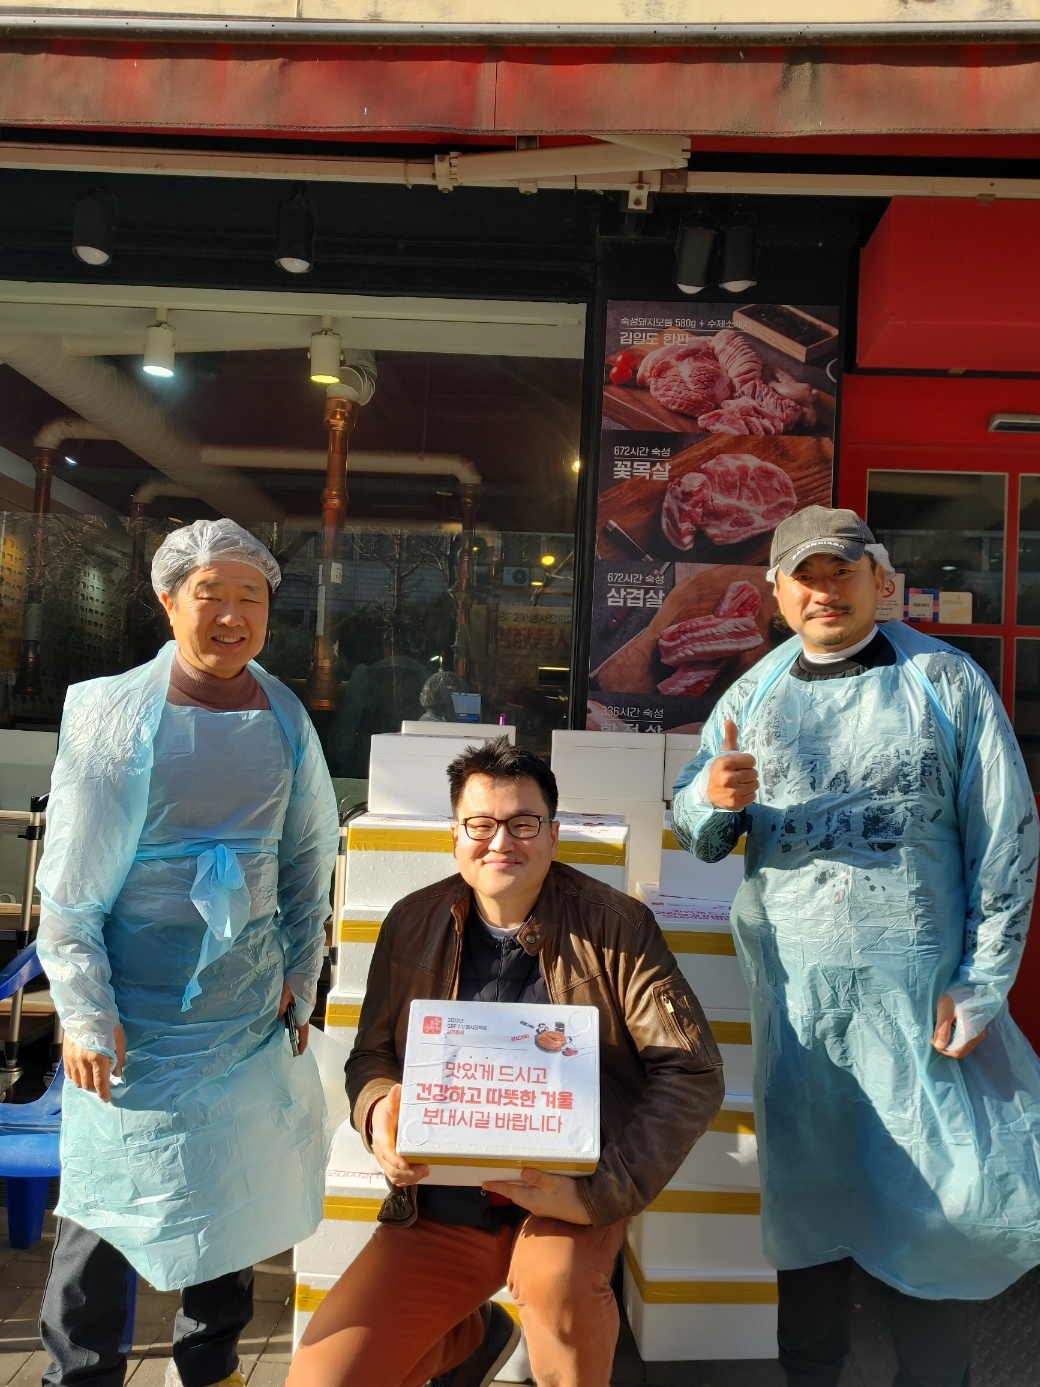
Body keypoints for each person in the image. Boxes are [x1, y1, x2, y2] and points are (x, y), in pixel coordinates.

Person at [672, 505, 1040, 1387]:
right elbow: (694, 818)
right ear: (776, 593)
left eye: (843, 571)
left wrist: (983, 980)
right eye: (805, 575)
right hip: (800, 1010)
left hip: (919, 1006)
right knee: (810, 1209)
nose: (824, 589)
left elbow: (1006, 837)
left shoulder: (944, 681)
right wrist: (713, 799)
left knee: (932, 1201)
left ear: (879, 578)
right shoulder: (753, 693)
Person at [288, 737, 724, 1387]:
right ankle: (463, 1338)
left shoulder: (615, 926)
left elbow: (691, 1069)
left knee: (560, 1288)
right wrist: (379, 1110)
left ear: (553, 834)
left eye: (524, 823)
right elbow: (372, 1055)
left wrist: (599, 1192)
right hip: (440, 1206)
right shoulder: (412, 921)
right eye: (481, 824)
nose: (502, 842)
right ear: (455, 836)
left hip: (564, 1199)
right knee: (323, 1378)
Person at [36, 519, 340, 1387]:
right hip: (132, 1021)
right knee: (105, 1211)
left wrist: (298, 974)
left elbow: (308, 857)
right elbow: (70, 893)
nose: (232, 615)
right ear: (170, 601)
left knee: (228, 1201)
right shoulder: (111, 717)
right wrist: (87, 1015)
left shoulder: (284, 714)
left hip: (241, 1013)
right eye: (211, 595)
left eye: (251, 597)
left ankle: (209, 1370)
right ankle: (80, 1376)